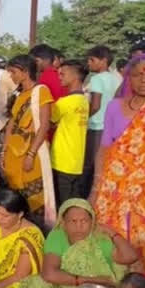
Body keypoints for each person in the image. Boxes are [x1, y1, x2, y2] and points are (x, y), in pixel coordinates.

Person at [90, 54, 145, 275]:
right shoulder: (114, 107)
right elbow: (104, 148)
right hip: (113, 190)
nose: (144, 80)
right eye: (138, 74)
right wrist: (96, 188)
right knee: (111, 241)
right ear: (129, 78)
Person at [22, 198, 138, 288]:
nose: (79, 226)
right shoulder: (58, 236)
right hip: (64, 287)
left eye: (84, 221)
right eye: (73, 221)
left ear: (92, 221)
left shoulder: (99, 238)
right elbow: (49, 274)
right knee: (37, 283)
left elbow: (131, 257)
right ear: (63, 223)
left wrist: (112, 233)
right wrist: (89, 280)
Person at [2, 55, 55, 227]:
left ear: (25, 72)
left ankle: (37, 235)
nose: (11, 76)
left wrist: (31, 154)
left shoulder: (41, 91)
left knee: (34, 200)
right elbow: (11, 123)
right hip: (14, 153)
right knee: (16, 198)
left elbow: (44, 125)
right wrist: (3, 151)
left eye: (14, 72)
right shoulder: (20, 95)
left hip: (32, 152)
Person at [51, 60, 89, 205]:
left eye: (62, 74)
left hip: (62, 159)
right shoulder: (84, 101)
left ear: (75, 77)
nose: (59, 77)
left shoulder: (64, 102)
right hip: (77, 160)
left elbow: (48, 122)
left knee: (63, 202)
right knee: (74, 199)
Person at [83, 45, 119, 198]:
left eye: (92, 60)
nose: (88, 63)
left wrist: (84, 118)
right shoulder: (117, 79)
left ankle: (86, 199)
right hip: (112, 127)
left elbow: (96, 105)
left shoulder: (97, 79)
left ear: (104, 61)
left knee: (90, 166)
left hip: (97, 126)